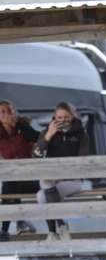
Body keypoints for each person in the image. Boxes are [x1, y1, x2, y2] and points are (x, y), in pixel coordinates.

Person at [32, 101, 90, 241]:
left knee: (42, 197)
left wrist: (63, 177)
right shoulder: (48, 132)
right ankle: (61, 227)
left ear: (72, 116)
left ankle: (53, 232)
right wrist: (48, 137)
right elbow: (36, 155)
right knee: (45, 182)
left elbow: (83, 161)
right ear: (55, 117)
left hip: (73, 180)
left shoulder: (82, 134)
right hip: (52, 179)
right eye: (59, 118)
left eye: (66, 117)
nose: (63, 121)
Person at [0, 99, 41, 242]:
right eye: (3, 112)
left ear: (14, 112)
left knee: (9, 186)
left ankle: (5, 230)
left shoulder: (23, 127)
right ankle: (18, 224)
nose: (6, 114)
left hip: (33, 178)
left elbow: (38, 138)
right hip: (14, 181)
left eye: (9, 111)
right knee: (9, 185)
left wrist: (16, 124)